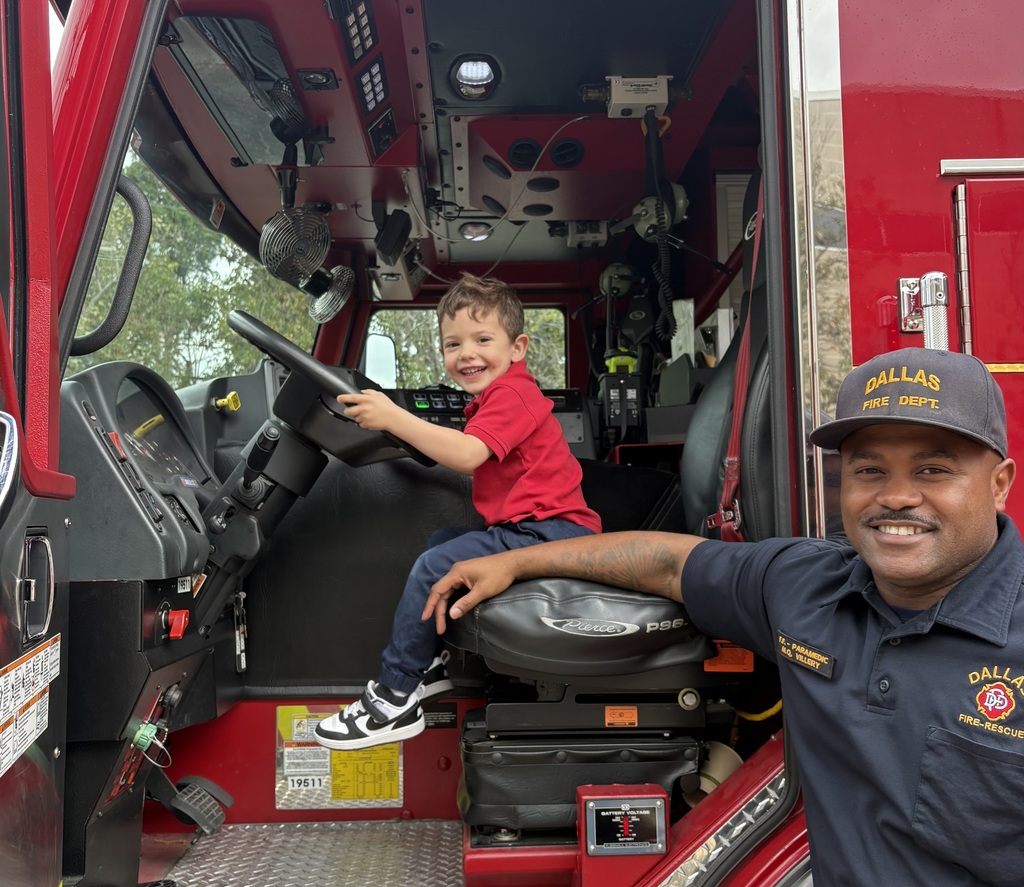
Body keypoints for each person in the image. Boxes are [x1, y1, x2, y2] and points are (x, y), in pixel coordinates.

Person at [424, 347, 1023, 887]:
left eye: (933, 470)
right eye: (869, 470)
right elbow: (663, 561)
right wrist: (517, 562)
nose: (895, 496)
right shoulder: (806, 588)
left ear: (999, 485)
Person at [315, 272, 601, 751]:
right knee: (441, 544)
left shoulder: (513, 395)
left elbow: (468, 455)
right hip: (539, 530)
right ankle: (429, 660)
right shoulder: (495, 397)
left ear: (518, 348)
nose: (466, 353)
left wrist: (394, 417)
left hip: (552, 535)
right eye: (453, 344)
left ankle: (393, 697)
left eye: (482, 339)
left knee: (435, 565)